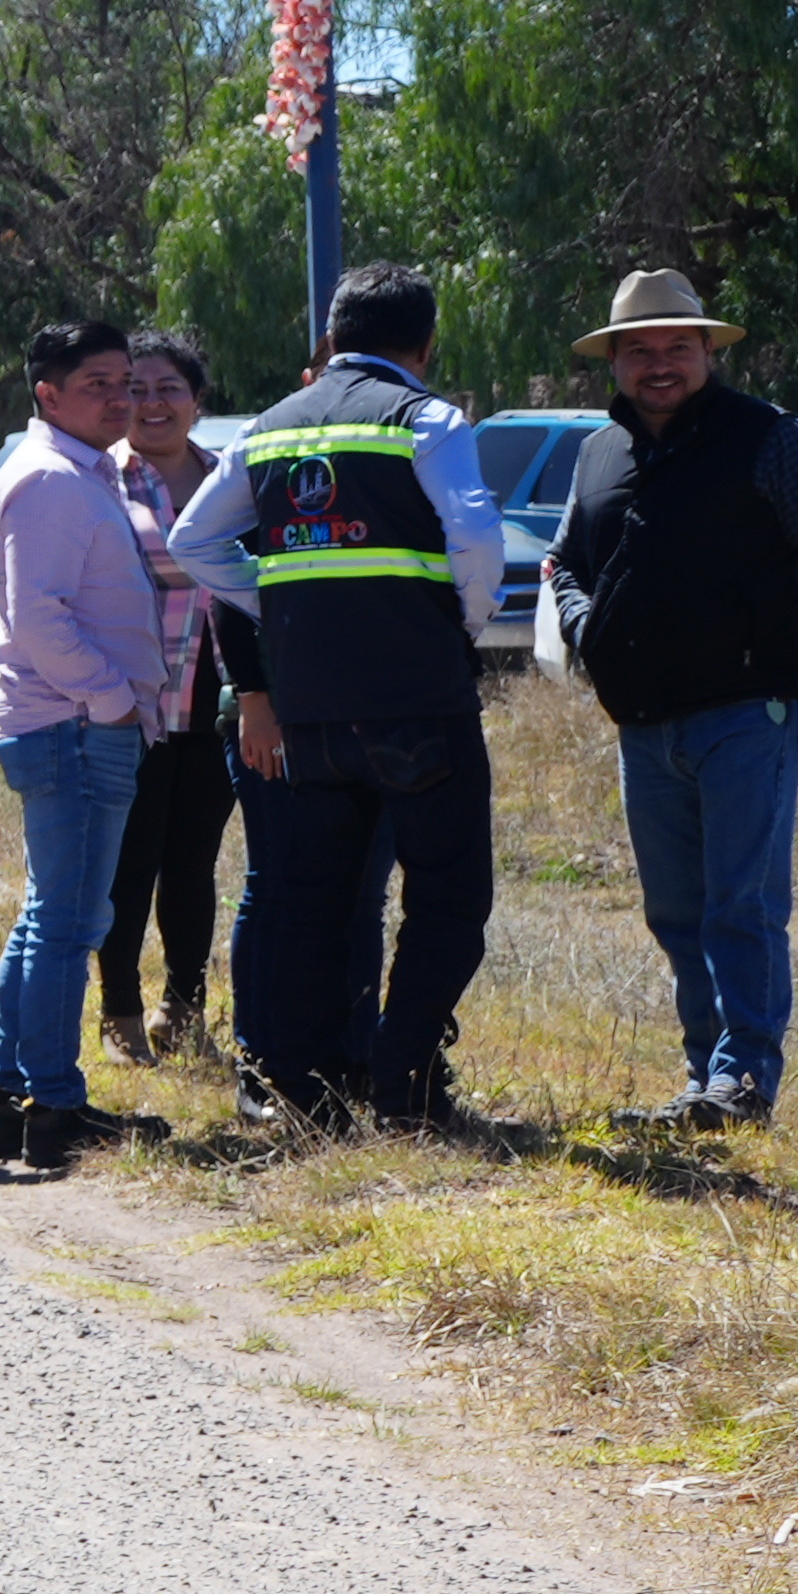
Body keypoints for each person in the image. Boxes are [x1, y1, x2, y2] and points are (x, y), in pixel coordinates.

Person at [159, 262, 512, 1130]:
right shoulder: (427, 418)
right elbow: (476, 540)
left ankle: (306, 1094)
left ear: (334, 335)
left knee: (313, 904)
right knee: (447, 899)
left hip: (314, 711)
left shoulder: (271, 428)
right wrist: (455, 626)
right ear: (426, 345)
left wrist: (283, 603)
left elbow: (192, 540)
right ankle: (406, 1085)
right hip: (419, 703)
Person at [535, 265, 798, 1124]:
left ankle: (743, 1081)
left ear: (706, 351)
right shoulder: (597, 453)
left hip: (747, 710)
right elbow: (564, 564)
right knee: (676, 910)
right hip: (643, 724)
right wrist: (584, 629)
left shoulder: (771, 437)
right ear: (612, 361)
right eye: (639, 349)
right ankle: (705, 1079)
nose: (659, 364)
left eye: (677, 347)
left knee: (742, 903)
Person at [0, 321, 172, 1173]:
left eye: (126, 380)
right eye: (99, 383)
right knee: (68, 922)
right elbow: (39, 617)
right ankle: (53, 1108)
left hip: (70, 723)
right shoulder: (51, 479)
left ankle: (9, 1101)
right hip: (75, 727)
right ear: (48, 393)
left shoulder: (79, 471)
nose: (121, 397)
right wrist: (113, 701)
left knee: (54, 916)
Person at [99, 334, 243, 1059]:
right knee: (129, 866)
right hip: (132, 708)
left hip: (215, 707)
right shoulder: (104, 479)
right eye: (138, 390)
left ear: (197, 400)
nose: (152, 404)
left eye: (169, 389)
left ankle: (182, 1013)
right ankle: (119, 1016)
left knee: (193, 866)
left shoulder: (228, 475)